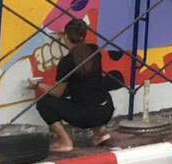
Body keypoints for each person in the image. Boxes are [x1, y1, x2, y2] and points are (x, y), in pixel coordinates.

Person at [34, 19, 114, 152]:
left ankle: (65, 141)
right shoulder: (94, 50)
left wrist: (38, 84)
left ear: (66, 37)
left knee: (43, 102)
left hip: (86, 116)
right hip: (106, 110)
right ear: (83, 35)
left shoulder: (66, 62)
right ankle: (100, 132)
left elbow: (57, 93)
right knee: (91, 90)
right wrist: (68, 35)